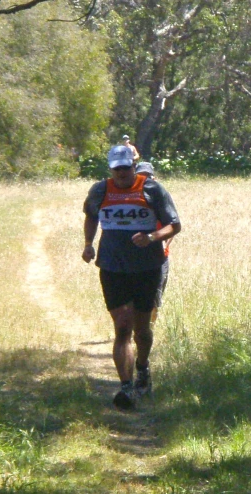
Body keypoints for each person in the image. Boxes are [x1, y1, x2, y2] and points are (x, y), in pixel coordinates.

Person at [83, 146, 181, 409]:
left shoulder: (152, 189)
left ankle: (143, 367)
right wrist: (88, 243)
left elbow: (175, 224)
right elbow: (91, 216)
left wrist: (151, 237)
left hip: (147, 267)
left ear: (133, 166)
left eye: (126, 168)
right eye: (117, 168)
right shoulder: (100, 190)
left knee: (142, 329)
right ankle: (126, 388)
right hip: (112, 267)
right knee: (122, 327)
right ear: (110, 168)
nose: (122, 173)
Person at [136, 162, 171, 324]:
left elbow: (172, 225)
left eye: (148, 176)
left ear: (154, 178)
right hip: (135, 255)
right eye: (141, 176)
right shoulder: (131, 200)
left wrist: (165, 243)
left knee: (155, 296)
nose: (145, 179)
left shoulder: (160, 198)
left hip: (159, 256)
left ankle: (149, 328)